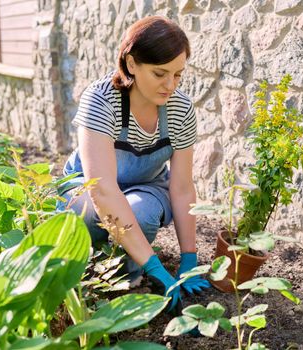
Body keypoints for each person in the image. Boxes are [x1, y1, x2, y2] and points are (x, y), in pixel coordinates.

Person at [57, 16, 211, 312]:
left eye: (178, 75)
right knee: (87, 213)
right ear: (130, 64)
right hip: (87, 185)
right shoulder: (101, 100)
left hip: (146, 185)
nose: (170, 85)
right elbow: (102, 191)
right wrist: (157, 265)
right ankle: (92, 265)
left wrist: (189, 258)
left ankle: (128, 274)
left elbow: (180, 188)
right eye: (159, 73)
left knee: (140, 213)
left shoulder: (180, 109)